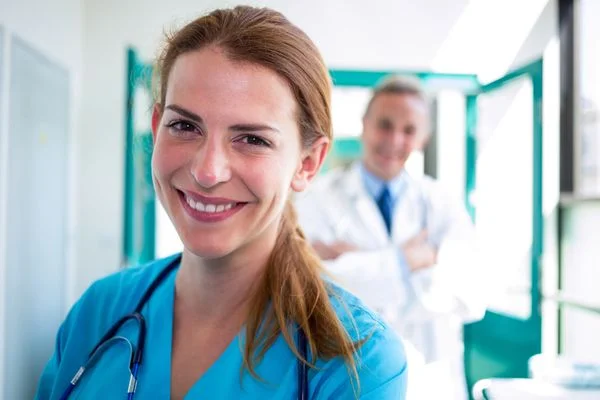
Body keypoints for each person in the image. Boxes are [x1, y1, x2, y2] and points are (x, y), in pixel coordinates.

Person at [34, 6, 408, 400]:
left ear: (307, 163)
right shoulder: (100, 311)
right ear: (157, 126)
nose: (207, 172)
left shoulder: (359, 361)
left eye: (252, 139)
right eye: (184, 126)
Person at [295, 76, 487, 399]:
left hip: (430, 383)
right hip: (351, 380)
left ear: (423, 138)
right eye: (384, 124)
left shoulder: (441, 202)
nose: (394, 139)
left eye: (409, 130)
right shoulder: (318, 198)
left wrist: (359, 264)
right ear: (364, 126)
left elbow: (472, 294)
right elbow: (312, 290)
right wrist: (412, 259)